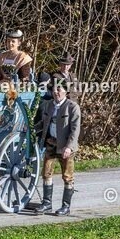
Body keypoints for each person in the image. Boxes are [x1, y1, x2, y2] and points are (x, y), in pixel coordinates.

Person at [33, 80, 81, 216]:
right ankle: (46, 204)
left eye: (59, 89)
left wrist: (69, 147)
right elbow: (43, 123)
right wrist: (31, 129)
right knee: (46, 173)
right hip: (51, 144)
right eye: (54, 90)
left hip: (66, 147)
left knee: (67, 176)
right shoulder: (49, 105)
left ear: (65, 91)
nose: (56, 92)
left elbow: (75, 130)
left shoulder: (72, 107)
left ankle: (66, 207)